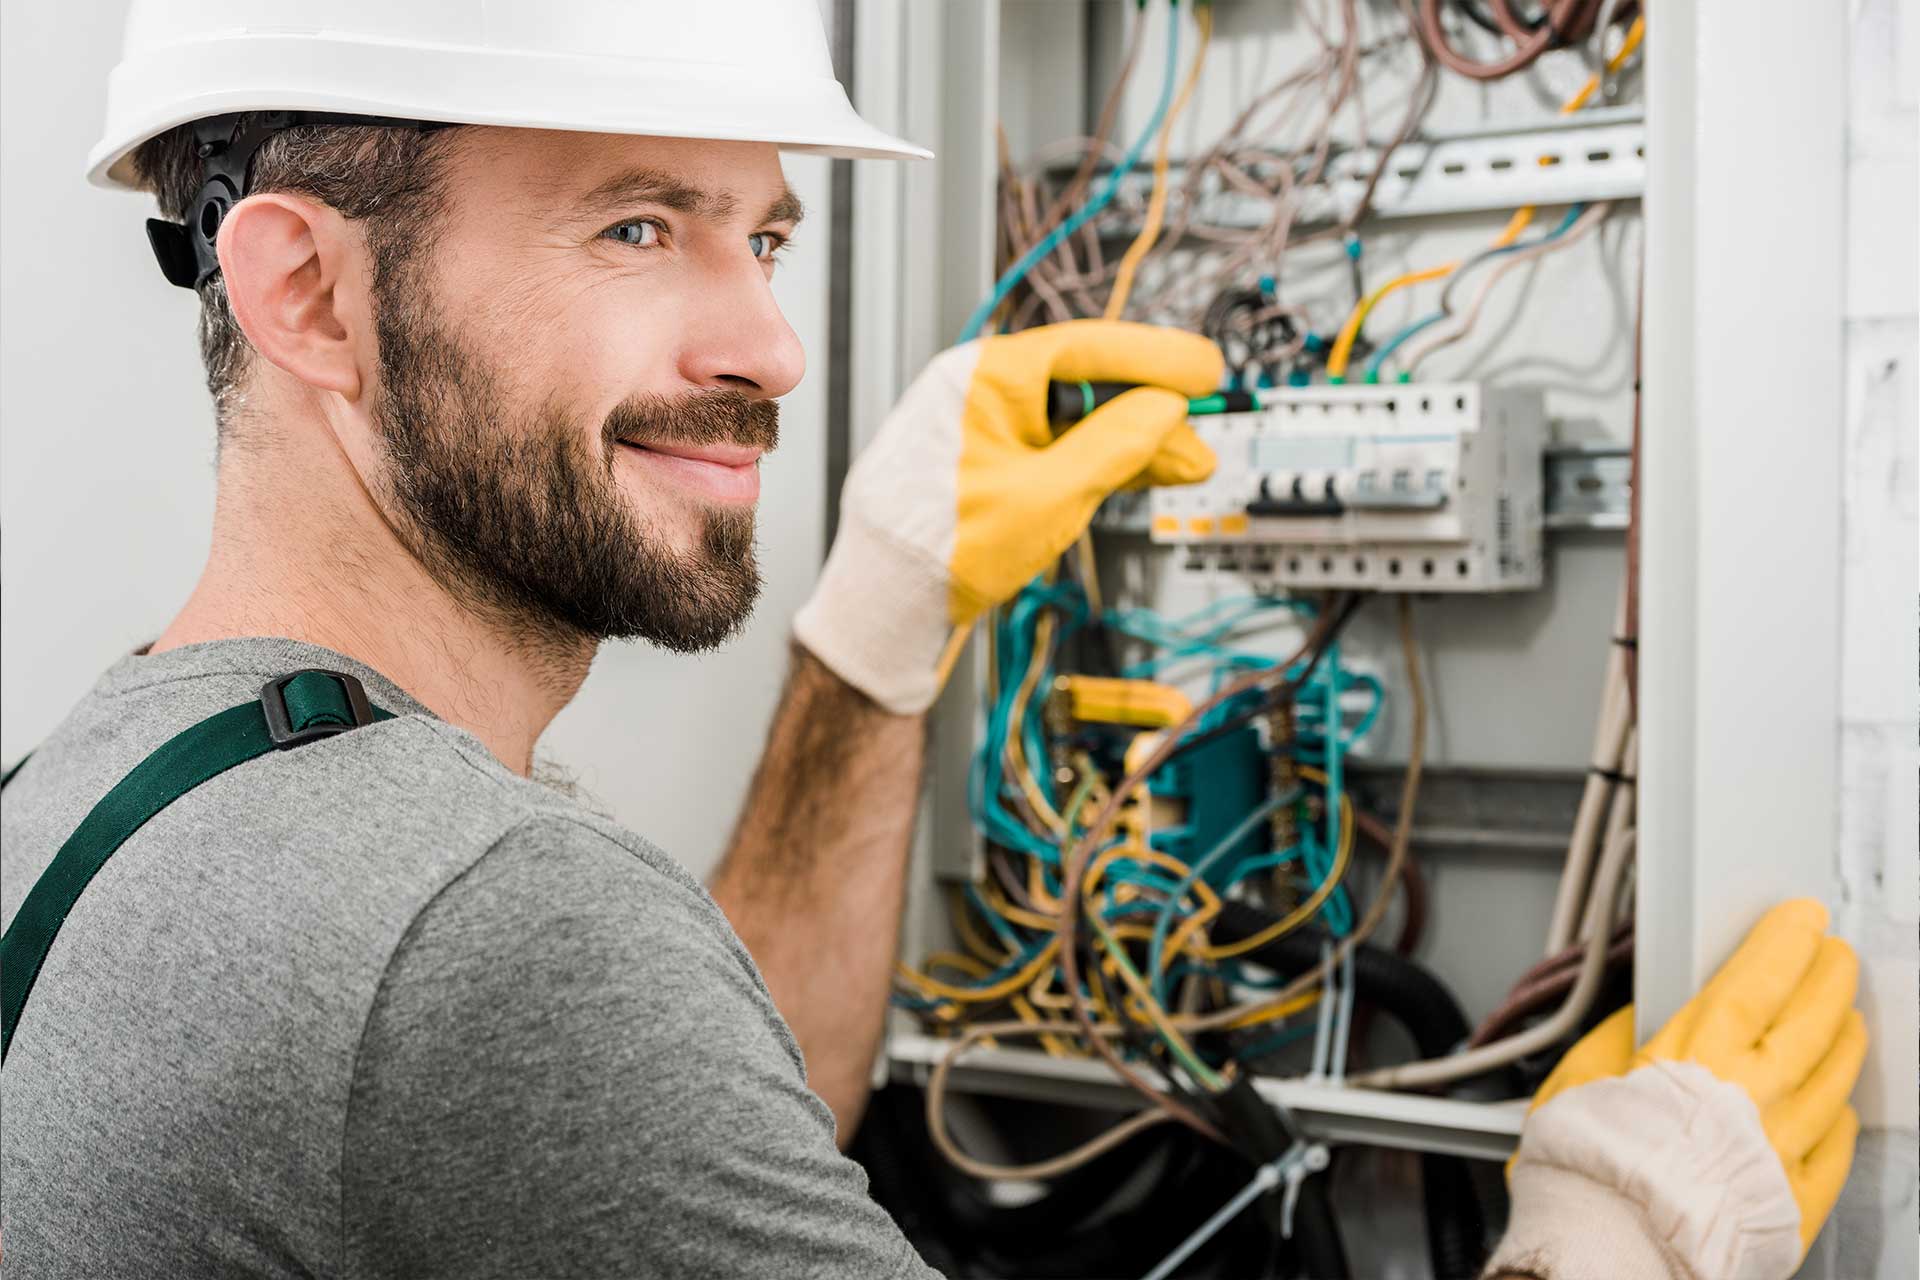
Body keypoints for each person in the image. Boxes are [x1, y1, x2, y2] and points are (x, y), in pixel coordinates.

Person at [0, 4, 1864, 1278]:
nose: (769, 347)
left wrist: (877, 632)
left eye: (765, 238)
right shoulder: (481, 933)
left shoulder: (113, 788)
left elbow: (738, 1129)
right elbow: (573, 1039)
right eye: (639, 228)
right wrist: (1610, 1249)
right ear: (307, 290)